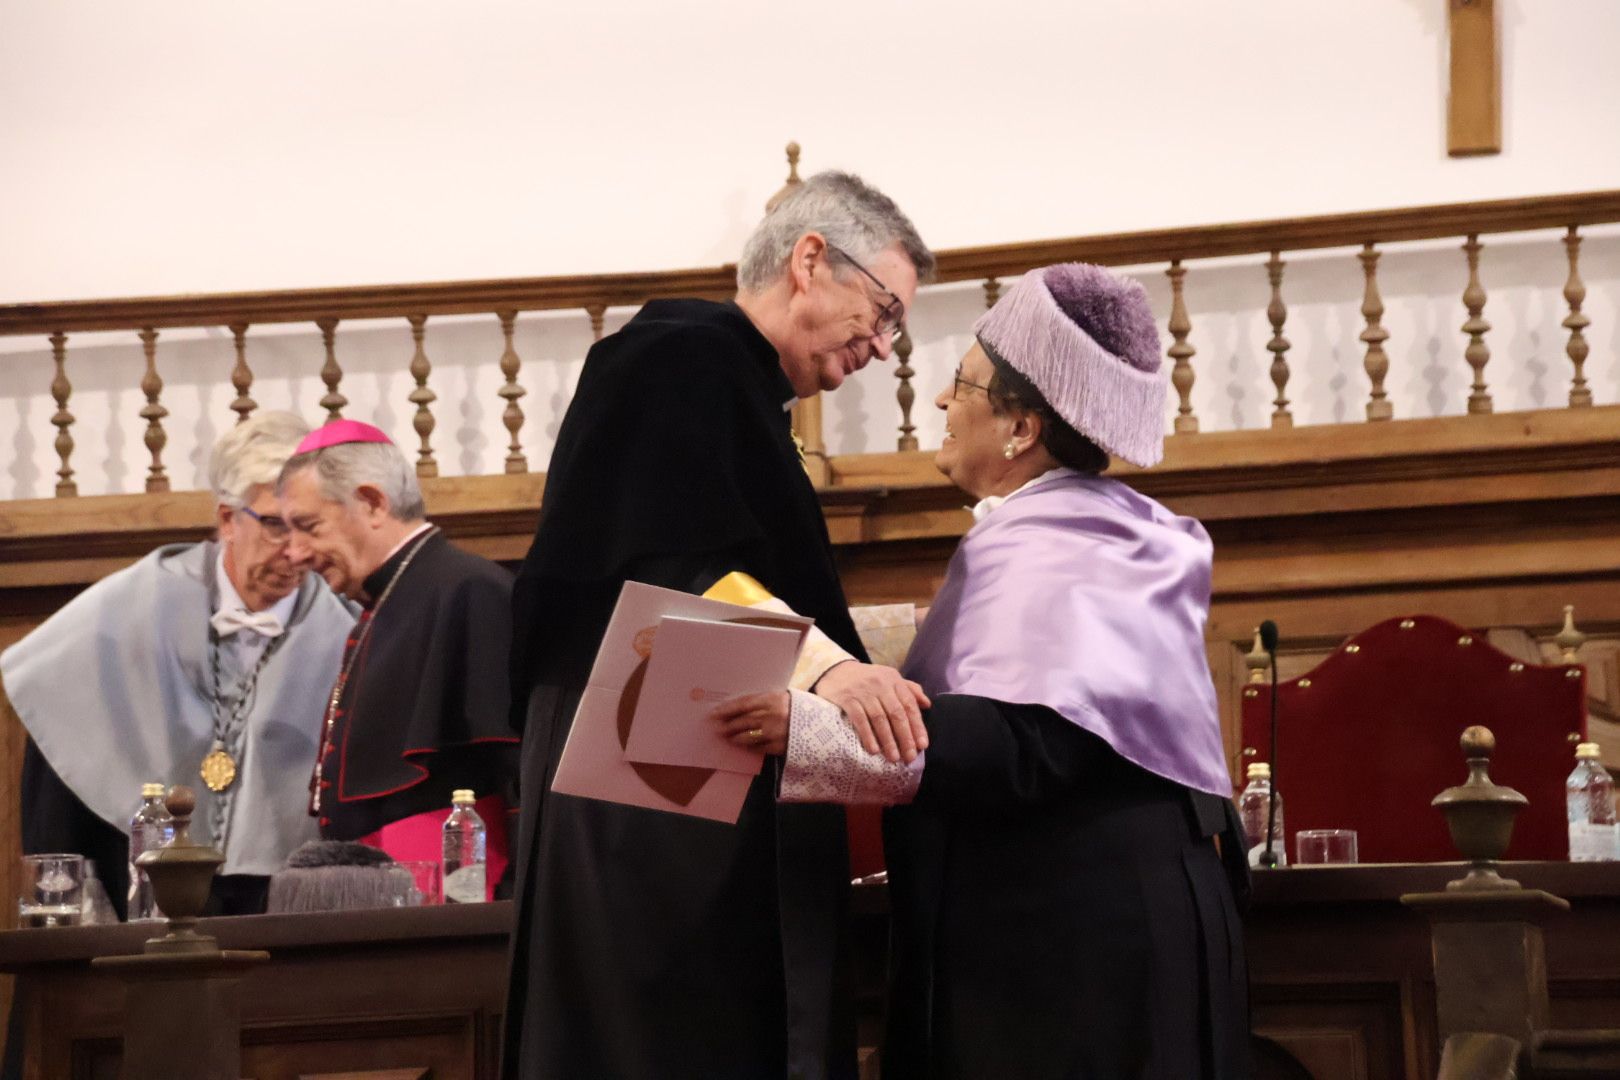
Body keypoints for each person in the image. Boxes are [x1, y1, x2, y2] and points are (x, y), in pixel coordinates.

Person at [716, 263, 1253, 1079]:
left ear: (1020, 429)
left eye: (962, 383)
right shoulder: (1113, 530)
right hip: (1114, 919)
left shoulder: (1048, 541)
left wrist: (811, 728)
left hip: (1069, 953)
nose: (939, 401)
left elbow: (1025, 745)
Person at [502, 171, 935, 1080]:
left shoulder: (723, 381)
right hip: (648, 796)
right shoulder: (679, 355)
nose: (887, 346)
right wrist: (828, 673)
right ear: (811, 260)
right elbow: (681, 569)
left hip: (672, 772)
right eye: (884, 308)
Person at [0, 411, 354, 917]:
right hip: (139, 912)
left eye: (310, 526)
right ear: (228, 519)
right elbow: (58, 788)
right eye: (276, 525)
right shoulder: (123, 615)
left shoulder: (349, 632)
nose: (297, 552)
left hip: (284, 917)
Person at [277, 420, 519, 893]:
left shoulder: (469, 590)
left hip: (455, 893)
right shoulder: (382, 605)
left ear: (371, 502)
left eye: (307, 527)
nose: (295, 553)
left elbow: (514, 773)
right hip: (380, 891)